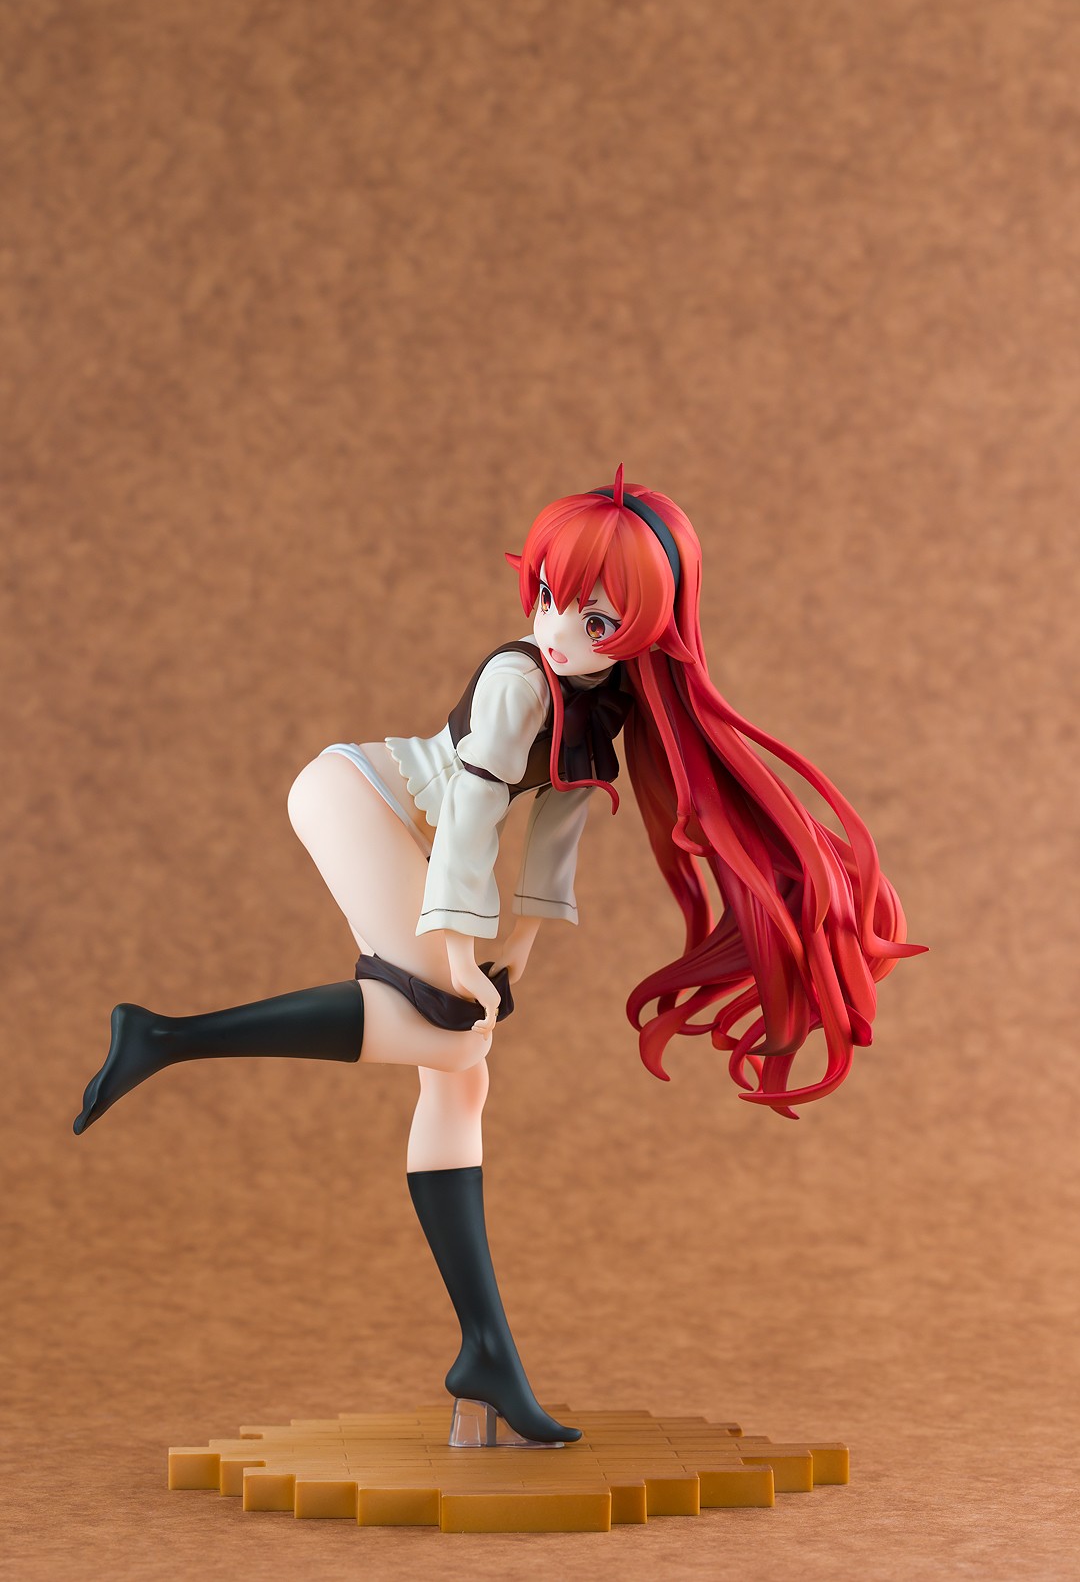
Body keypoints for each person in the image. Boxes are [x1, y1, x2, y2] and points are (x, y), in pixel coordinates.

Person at [73, 466, 924, 1445]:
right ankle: (164, 1037)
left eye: (594, 619)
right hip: (359, 797)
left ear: (649, 630)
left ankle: (486, 1359)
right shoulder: (522, 680)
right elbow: (476, 812)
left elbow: (554, 835)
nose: (558, 630)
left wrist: (514, 949)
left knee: (461, 1077)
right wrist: (454, 953)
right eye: (548, 597)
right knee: (444, 1032)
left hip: (423, 838)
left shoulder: (606, 704)